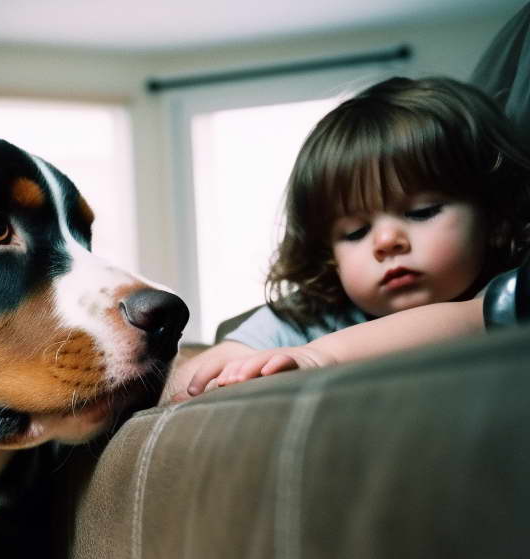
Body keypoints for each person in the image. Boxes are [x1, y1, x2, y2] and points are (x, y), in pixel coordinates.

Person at [166, 75, 530, 402]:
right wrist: (214, 375)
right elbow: (195, 379)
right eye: (355, 232)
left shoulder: (507, 293)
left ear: (495, 217)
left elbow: (470, 319)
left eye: (422, 212)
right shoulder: (315, 316)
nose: (386, 241)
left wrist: (316, 356)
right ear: (330, 255)